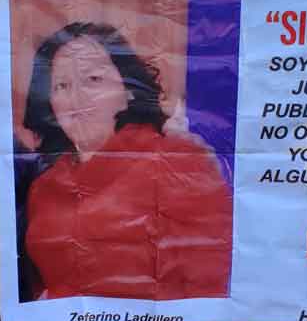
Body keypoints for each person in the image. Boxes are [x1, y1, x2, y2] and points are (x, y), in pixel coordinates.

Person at [20, 21, 233, 301]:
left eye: (93, 79)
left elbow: (209, 280)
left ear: (128, 92)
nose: (77, 97)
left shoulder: (177, 162)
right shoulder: (44, 188)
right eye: (62, 85)